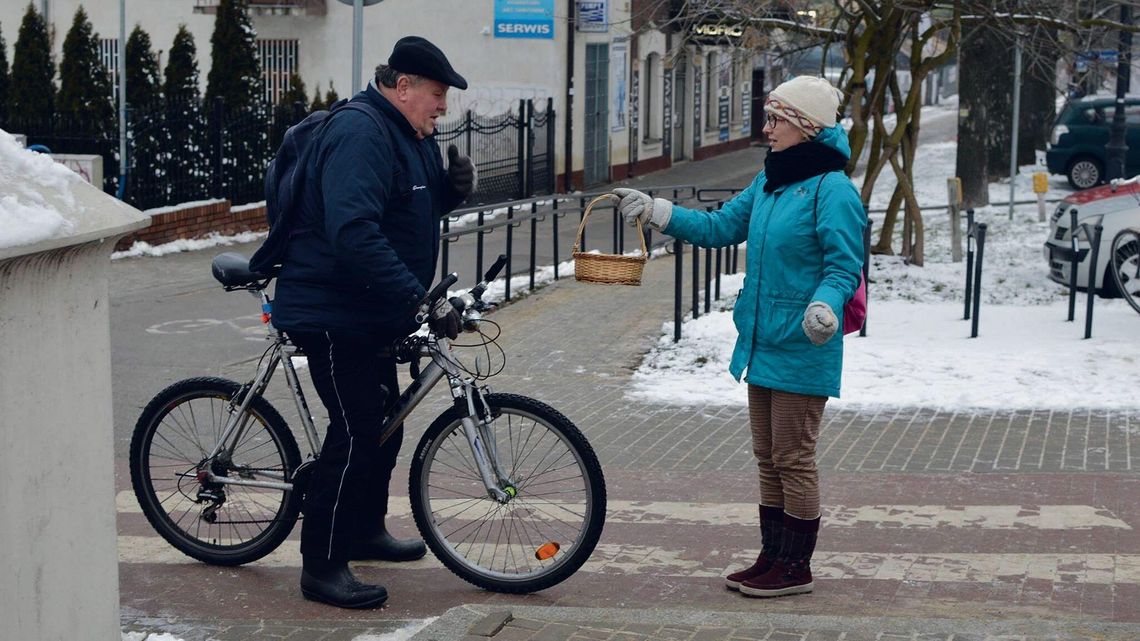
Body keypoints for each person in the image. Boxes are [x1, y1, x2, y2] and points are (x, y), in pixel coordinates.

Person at [614, 76, 864, 598]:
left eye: (776, 120)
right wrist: (657, 211)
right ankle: (772, 557)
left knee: (793, 458)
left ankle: (796, 567)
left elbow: (845, 267)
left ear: (805, 126)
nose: (766, 128)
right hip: (761, 338)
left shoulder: (832, 189)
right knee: (768, 457)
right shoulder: (771, 180)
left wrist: (825, 305)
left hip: (804, 343)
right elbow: (721, 227)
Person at [270, 36, 476, 609]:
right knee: (358, 427)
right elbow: (353, 229)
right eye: (436, 94)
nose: (443, 107)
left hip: (370, 310)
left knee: (386, 421)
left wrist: (449, 194)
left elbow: (403, 211)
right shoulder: (360, 131)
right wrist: (420, 298)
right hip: (332, 310)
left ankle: (364, 529)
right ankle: (322, 565)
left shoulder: (408, 135)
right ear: (402, 86)